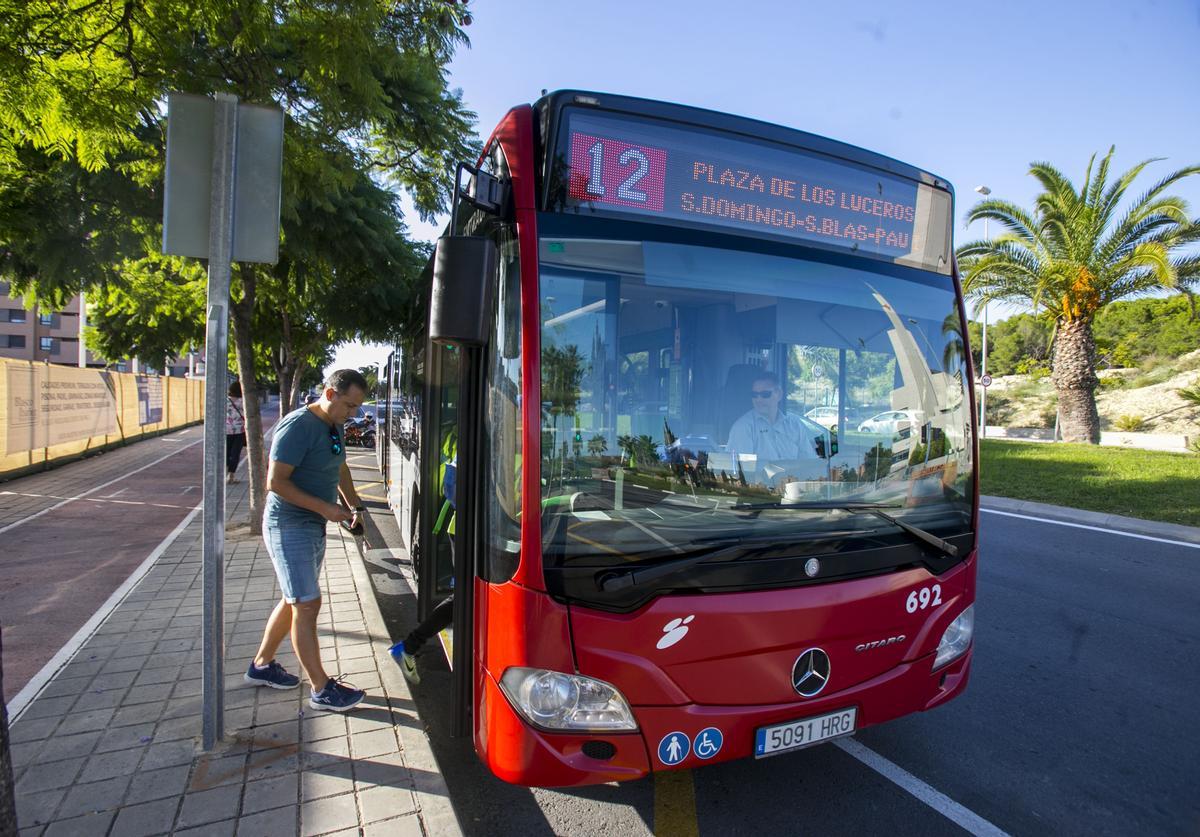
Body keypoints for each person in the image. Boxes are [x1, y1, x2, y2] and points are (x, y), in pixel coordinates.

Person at [244, 368, 369, 712]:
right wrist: (325, 508)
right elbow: (275, 482)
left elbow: (340, 467)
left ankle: (261, 665)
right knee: (307, 604)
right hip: (288, 525)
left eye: (357, 407)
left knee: (294, 599)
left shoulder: (333, 424)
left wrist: (353, 505)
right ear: (329, 394)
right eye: (349, 405)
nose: (353, 414)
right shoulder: (298, 425)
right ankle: (321, 689)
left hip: (312, 524)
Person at [391, 425, 457, 685]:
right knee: (462, 598)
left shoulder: (501, 438)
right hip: (468, 532)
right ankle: (408, 646)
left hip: (470, 530)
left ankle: (408, 646)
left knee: (464, 597)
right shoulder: (494, 440)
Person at [726, 372, 816, 462]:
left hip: (795, 476)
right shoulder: (743, 427)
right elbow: (741, 470)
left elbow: (808, 462)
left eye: (765, 394)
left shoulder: (795, 425)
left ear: (779, 394)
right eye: (754, 395)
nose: (758, 399)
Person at [225, 381, 246, 483]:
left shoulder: (225, 400)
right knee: (235, 453)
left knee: (226, 453)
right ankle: (231, 476)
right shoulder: (243, 401)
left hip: (226, 431)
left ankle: (227, 471)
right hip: (240, 431)